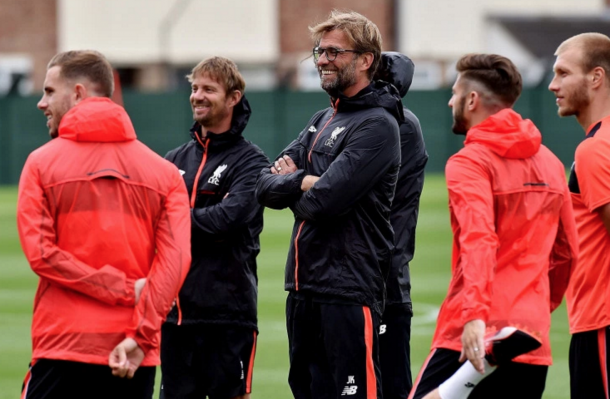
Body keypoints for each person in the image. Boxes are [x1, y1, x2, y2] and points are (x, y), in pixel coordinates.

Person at [17, 50, 191, 399]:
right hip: (132, 355)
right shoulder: (165, 173)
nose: (41, 102)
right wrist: (141, 337)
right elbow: (175, 264)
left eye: (50, 91)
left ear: (79, 93)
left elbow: (40, 255)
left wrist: (123, 288)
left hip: (62, 346)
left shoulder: (40, 163)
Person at [409, 53, 578, 399]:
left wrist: (475, 316)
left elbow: (479, 238)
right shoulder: (550, 163)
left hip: (473, 333)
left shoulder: (469, 162)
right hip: (529, 339)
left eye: (455, 92)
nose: (450, 100)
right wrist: (533, 311)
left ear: (472, 100)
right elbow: (567, 253)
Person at [256, 10, 402, 399]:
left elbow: (325, 203)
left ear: (365, 59)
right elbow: (263, 186)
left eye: (334, 52)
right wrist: (302, 181)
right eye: (319, 51)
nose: (321, 60)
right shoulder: (321, 118)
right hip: (303, 289)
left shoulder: (378, 125)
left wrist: (296, 187)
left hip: (348, 290)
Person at [159, 56, 268, 399]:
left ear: (233, 97)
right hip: (176, 318)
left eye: (209, 89)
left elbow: (227, 220)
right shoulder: (173, 161)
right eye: (194, 88)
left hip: (228, 317)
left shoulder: (252, 162)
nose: (197, 96)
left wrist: (172, 221)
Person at [549, 32, 610, 399]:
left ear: (596, 78)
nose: (554, 85)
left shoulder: (594, 150)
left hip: (601, 321)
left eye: (563, 73)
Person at [373, 51, 428, 399]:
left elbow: (339, 192)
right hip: (376, 274)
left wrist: (302, 182)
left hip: (382, 277)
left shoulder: (396, 126)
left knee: (388, 383)